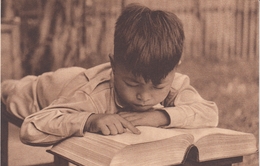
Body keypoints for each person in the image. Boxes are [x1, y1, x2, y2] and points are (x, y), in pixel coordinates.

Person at [1, 4, 218, 146]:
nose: (144, 96)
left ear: (175, 69)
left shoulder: (169, 79)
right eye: (132, 84)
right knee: (10, 90)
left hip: (73, 79)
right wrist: (89, 120)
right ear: (113, 65)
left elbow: (209, 113)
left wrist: (159, 117)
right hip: (36, 92)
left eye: (158, 87)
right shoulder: (92, 95)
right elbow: (32, 126)